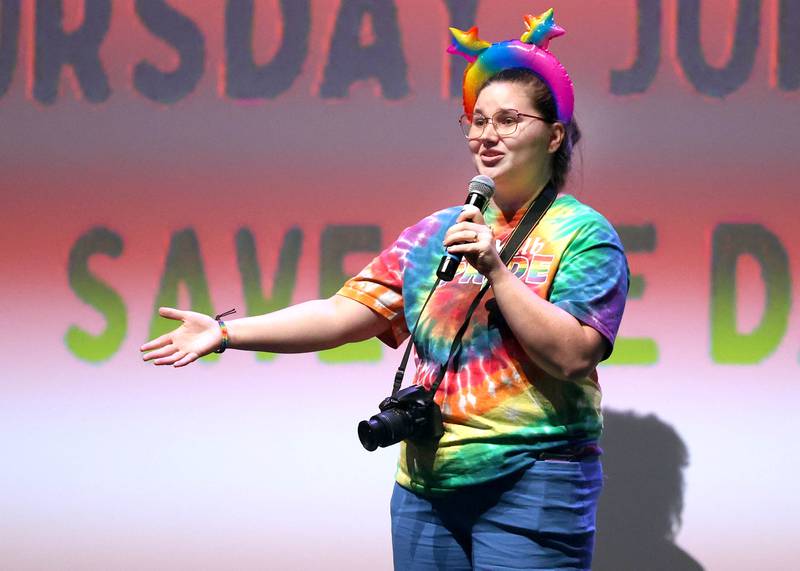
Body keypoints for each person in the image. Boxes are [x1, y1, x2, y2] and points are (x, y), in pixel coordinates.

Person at [141, 9, 628, 570]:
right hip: (424, 486)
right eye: (476, 120)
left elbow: (573, 354)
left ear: (554, 134)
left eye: (509, 120)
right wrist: (226, 332)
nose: (486, 135)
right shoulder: (434, 233)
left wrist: (496, 268)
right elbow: (343, 312)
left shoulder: (583, 234)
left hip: (534, 480)